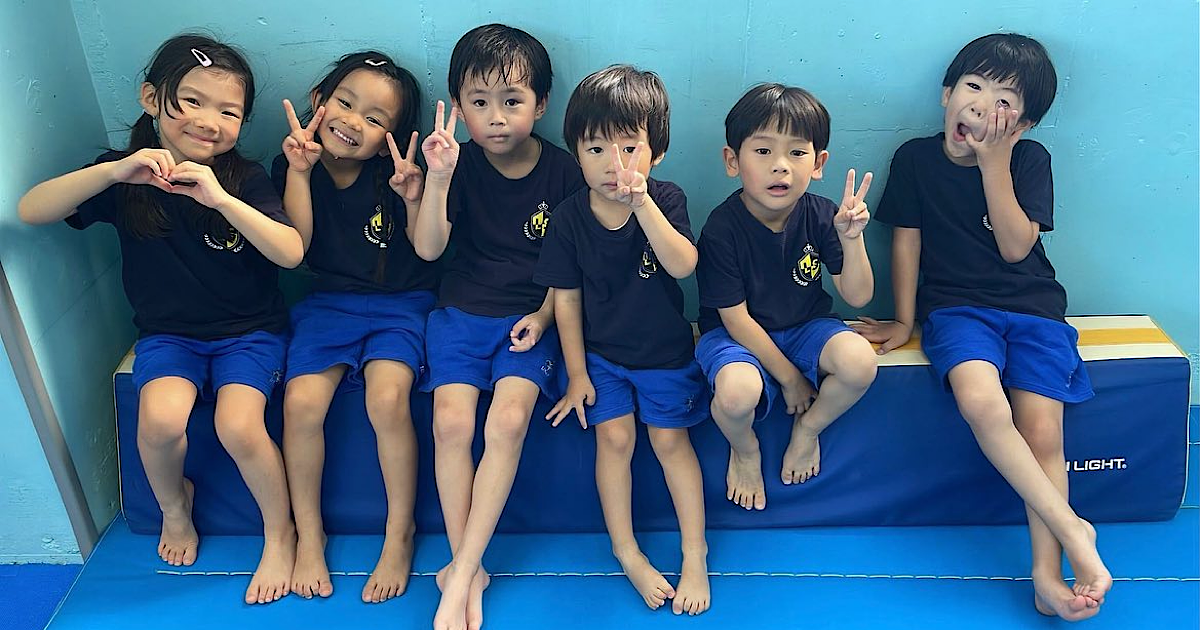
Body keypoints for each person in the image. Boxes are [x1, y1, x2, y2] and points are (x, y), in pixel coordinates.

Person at [18, 33, 302, 605]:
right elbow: (31, 209)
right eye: (192, 101)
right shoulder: (124, 177)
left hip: (250, 332)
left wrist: (221, 200)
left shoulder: (242, 179)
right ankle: (176, 507)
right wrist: (111, 173)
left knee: (239, 425)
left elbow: (290, 252)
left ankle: (281, 532)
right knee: (159, 422)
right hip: (169, 336)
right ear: (152, 98)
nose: (209, 122)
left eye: (229, 112)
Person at [853, 33, 1112, 620]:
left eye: (1003, 101)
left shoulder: (1029, 160)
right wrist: (904, 319)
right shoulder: (915, 159)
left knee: (1043, 432)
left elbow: (1017, 248)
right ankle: (1073, 531)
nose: (980, 105)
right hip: (957, 310)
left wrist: (996, 164)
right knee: (982, 402)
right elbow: (907, 242)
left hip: (1034, 309)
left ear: (1024, 125)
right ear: (946, 94)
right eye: (972, 86)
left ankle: (1047, 576)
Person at [411, 23, 585, 630]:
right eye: (479, 102)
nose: (496, 117)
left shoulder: (565, 172)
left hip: (532, 318)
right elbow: (428, 250)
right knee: (452, 423)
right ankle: (471, 567)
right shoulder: (455, 165)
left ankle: (459, 572)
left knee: (507, 420)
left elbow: (571, 268)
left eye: (512, 101)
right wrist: (437, 179)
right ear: (458, 107)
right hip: (459, 312)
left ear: (540, 104)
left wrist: (543, 316)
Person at [538, 65, 710, 615]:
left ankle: (695, 553)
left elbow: (683, 265)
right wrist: (578, 374)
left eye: (630, 148)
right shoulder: (569, 218)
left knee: (669, 442)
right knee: (613, 440)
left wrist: (643, 205)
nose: (614, 165)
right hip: (602, 358)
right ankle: (626, 549)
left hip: (665, 355)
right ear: (576, 154)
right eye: (596, 150)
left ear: (656, 152)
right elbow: (566, 301)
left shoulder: (667, 198)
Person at [271, 51, 434, 603]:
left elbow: (426, 250)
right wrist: (299, 171)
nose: (352, 122)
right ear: (319, 100)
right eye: (344, 103)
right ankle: (309, 533)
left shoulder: (397, 175)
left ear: (390, 138)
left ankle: (399, 532)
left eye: (374, 118)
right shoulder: (292, 165)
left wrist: (415, 195)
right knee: (301, 404)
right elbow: (296, 249)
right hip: (328, 305)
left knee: (387, 400)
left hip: (402, 304)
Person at [695, 84, 878, 511]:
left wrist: (852, 239)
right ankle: (745, 450)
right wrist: (791, 379)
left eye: (796, 152)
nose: (780, 166)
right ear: (732, 160)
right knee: (736, 394)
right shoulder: (722, 228)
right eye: (763, 151)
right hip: (735, 337)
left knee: (859, 362)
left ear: (818, 163)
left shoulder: (822, 214)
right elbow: (736, 320)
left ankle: (808, 430)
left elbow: (857, 296)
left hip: (805, 328)